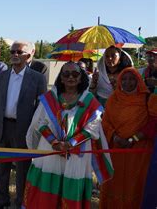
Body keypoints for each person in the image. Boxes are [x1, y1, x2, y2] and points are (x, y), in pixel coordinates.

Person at [23, 62, 111, 209]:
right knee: (47, 186)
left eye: (75, 74)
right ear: (61, 78)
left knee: (71, 188)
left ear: (81, 78)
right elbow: (41, 122)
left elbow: (93, 128)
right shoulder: (50, 98)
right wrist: (54, 142)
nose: (71, 77)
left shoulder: (89, 100)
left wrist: (70, 143)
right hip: (50, 151)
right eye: (66, 74)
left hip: (76, 154)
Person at [0, 41, 47, 209]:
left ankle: (21, 201)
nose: (14, 54)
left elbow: (41, 109)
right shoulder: (1, 77)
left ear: (28, 55)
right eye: (12, 51)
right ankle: (2, 199)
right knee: (1, 167)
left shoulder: (38, 78)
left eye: (19, 51)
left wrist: (35, 133)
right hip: (2, 127)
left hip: (24, 130)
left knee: (22, 170)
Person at [100, 68, 154, 208]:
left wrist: (133, 139)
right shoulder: (113, 99)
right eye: (124, 79)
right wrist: (116, 138)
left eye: (132, 79)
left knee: (135, 183)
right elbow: (105, 123)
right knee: (114, 183)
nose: (127, 82)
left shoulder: (148, 98)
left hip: (139, 153)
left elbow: (154, 123)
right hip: (116, 150)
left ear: (138, 81)